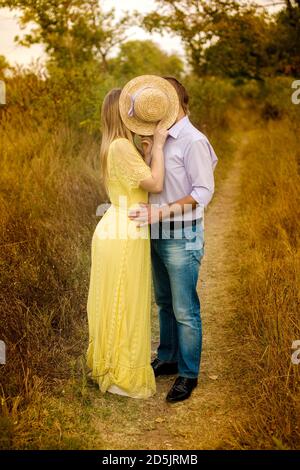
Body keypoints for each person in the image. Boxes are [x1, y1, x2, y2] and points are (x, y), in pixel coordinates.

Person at [86, 77, 180, 399]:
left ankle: (112, 366)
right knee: (124, 300)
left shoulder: (114, 146)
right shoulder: (121, 147)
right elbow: (154, 183)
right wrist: (161, 145)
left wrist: (150, 150)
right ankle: (120, 375)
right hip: (125, 232)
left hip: (120, 225)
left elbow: (138, 183)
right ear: (120, 115)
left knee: (118, 299)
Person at [129, 77, 218, 403]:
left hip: (182, 234)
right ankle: (167, 357)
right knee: (164, 303)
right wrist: (150, 151)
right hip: (157, 232)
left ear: (175, 102)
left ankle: (188, 373)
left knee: (184, 309)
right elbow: (155, 183)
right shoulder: (160, 138)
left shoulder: (193, 140)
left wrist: (161, 212)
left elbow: (203, 192)